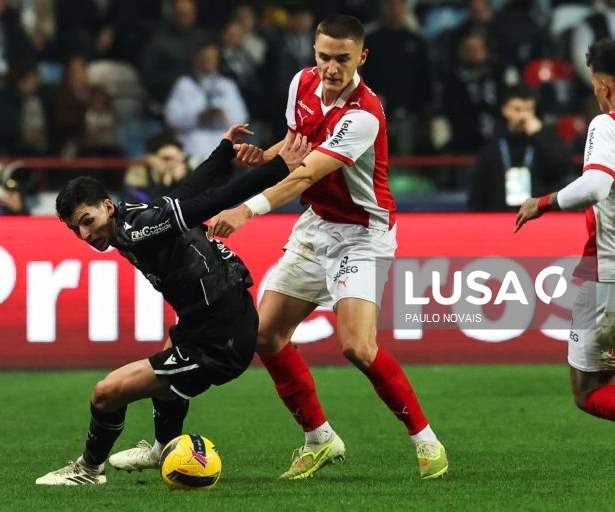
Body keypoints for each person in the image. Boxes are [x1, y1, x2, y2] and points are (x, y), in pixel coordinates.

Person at [206, 14, 449, 480]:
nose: (331, 68)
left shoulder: (364, 115)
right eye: (324, 57)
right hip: (317, 225)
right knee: (265, 335)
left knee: (357, 346)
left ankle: (426, 440)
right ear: (313, 53)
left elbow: (307, 173)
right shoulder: (301, 83)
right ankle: (319, 438)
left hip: (362, 234)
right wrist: (266, 157)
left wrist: (245, 210)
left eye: (342, 58)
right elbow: (295, 147)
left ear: (362, 57)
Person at [35, 124, 311, 485]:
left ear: (107, 206)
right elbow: (188, 190)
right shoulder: (133, 216)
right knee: (167, 367)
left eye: (88, 221)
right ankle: (161, 449)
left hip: (220, 337)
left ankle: (88, 471)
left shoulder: (139, 230)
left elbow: (211, 201)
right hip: (207, 321)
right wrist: (224, 151)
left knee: (106, 393)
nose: (86, 234)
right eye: (76, 229)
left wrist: (278, 169)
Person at [515, 38, 615, 425]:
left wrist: (542, 203)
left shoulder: (606, 125)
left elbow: (594, 187)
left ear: (603, 86)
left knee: (588, 390)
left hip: (607, 275)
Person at [468, 85, 573, 212]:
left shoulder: (544, 141)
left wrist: (540, 135)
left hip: (538, 216)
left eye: (528, 110)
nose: (523, 116)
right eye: (517, 110)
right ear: (505, 110)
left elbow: (563, 169)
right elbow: (477, 197)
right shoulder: (491, 149)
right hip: (500, 217)